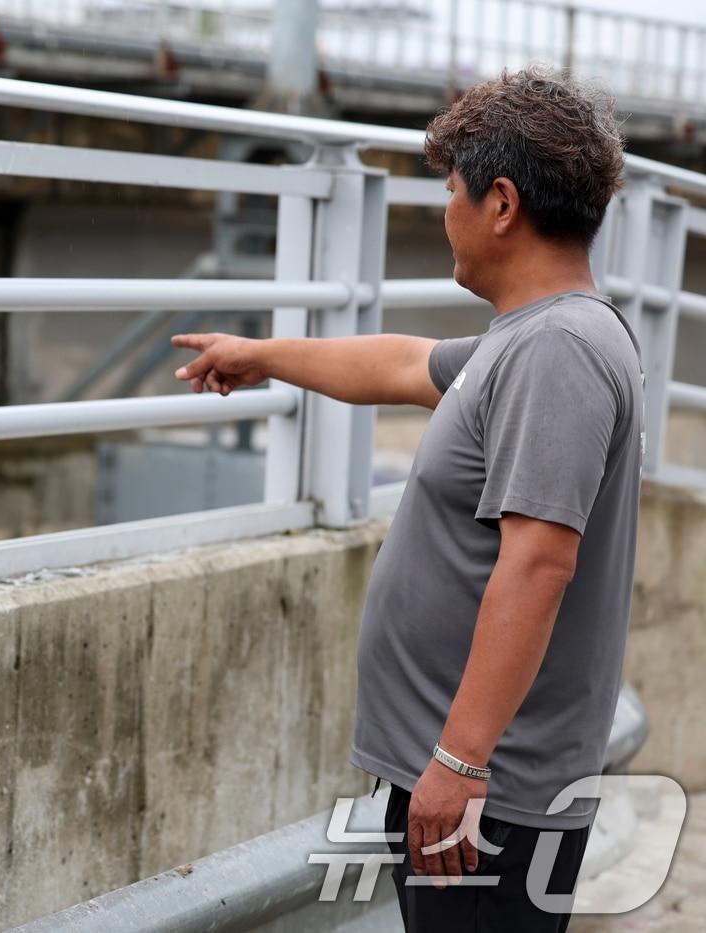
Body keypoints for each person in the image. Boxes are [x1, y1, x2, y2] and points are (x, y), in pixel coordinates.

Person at [171, 66, 641, 932]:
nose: (445, 213)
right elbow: (398, 365)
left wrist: (459, 761)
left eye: (452, 191)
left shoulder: (560, 350)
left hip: (490, 802)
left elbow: (538, 564)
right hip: (471, 788)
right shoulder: (529, 338)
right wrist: (263, 354)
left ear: (501, 203)